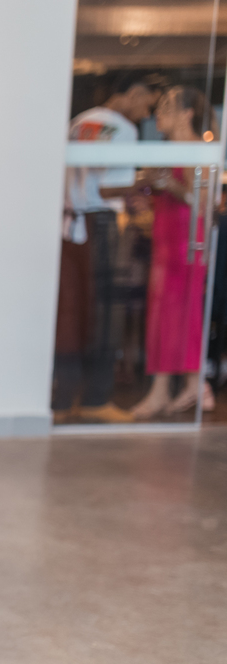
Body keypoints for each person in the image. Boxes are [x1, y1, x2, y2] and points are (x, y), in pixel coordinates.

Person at [55, 72, 161, 423]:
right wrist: (146, 179)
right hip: (100, 224)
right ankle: (96, 398)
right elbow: (107, 189)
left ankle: (63, 398)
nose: (146, 115)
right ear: (135, 93)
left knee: (71, 314)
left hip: (69, 225)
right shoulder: (123, 129)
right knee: (105, 316)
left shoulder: (79, 123)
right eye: (148, 105)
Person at [132, 85, 217, 419]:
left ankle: (169, 389)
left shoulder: (199, 150)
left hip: (187, 245)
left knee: (176, 315)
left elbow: (202, 203)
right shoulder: (168, 152)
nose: (158, 112)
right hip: (165, 242)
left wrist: (169, 184)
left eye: (167, 105)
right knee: (163, 315)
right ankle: (188, 385)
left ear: (187, 113)